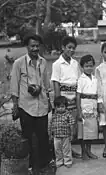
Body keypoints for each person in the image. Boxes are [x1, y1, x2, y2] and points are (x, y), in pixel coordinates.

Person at [10, 34, 51, 172]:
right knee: (28, 138)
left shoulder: (43, 62)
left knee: (42, 137)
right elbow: (14, 86)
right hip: (26, 107)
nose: (35, 48)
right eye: (32, 46)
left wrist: (49, 100)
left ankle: (43, 165)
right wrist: (15, 105)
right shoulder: (19, 63)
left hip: (42, 105)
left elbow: (46, 84)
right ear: (27, 47)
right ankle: (30, 166)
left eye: (37, 46)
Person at [51, 36, 81, 158]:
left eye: (73, 48)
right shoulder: (57, 64)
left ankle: (70, 149)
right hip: (63, 99)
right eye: (69, 47)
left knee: (71, 125)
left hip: (73, 98)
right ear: (63, 48)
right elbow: (56, 83)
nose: (71, 50)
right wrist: (59, 103)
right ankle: (61, 152)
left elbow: (78, 81)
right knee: (62, 125)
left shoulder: (75, 63)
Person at [77, 55, 101, 160]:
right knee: (84, 131)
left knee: (91, 130)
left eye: (91, 66)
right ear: (82, 67)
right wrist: (79, 110)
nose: (89, 68)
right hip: (84, 104)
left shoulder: (95, 79)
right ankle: (83, 152)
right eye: (86, 66)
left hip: (93, 106)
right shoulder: (81, 79)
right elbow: (78, 95)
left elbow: (98, 93)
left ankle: (89, 150)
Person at [50, 96, 75, 168]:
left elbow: (71, 125)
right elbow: (51, 125)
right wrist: (51, 134)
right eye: (58, 107)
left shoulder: (68, 115)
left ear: (66, 107)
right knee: (57, 149)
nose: (60, 108)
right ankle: (59, 161)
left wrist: (71, 134)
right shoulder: (54, 116)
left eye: (62, 106)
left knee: (66, 149)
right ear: (55, 107)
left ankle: (68, 161)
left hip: (66, 135)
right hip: (56, 136)